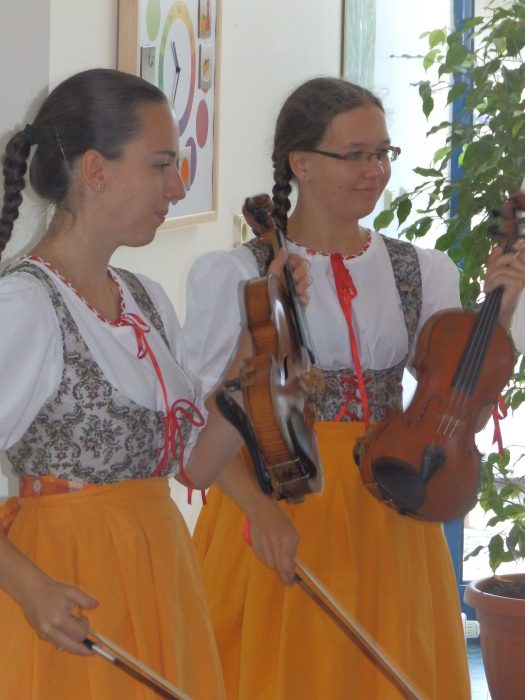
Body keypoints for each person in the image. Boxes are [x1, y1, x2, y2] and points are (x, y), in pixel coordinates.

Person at [184, 76, 525, 699]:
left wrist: (498, 310)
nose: (376, 171)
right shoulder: (237, 275)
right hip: (283, 503)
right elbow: (203, 425)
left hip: (394, 502)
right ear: (301, 163)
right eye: (356, 155)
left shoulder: (421, 269)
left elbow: (456, 400)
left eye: (383, 153)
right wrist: (257, 509)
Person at [0, 68, 309, 700]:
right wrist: (29, 587)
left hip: (161, 571)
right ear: (96, 170)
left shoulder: (145, 300)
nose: (178, 185)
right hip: (71, 587)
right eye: (162, 164)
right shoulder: (25, 306)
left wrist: (260, 340)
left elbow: (195, 464)